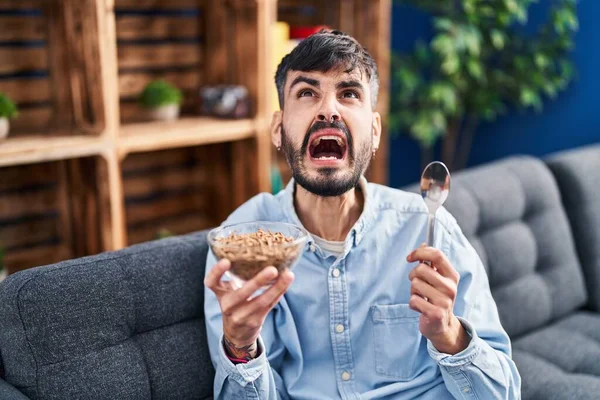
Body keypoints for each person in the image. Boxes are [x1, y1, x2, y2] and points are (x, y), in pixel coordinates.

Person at [204, 30, 521, 399]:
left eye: (348, 93)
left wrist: (449, 335)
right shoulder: (240, 246)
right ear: (278, 129)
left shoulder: (428, 226)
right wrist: (241, 350)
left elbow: (505, 393)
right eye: (307, 93)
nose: (328, 109)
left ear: (373, 131)